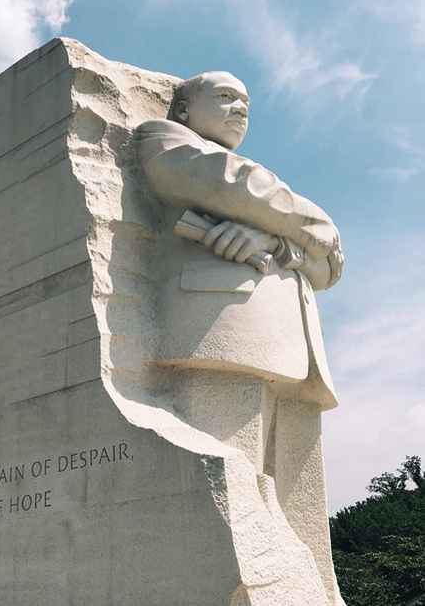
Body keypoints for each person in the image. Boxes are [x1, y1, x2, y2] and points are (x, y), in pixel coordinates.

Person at [132, 71, 345, 604]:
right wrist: (310, 223)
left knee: (296, 513)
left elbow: (330, 265)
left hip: (292, 353)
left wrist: (274, 237)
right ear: (183, 109)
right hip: (222, 334)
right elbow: (225, 182)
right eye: (224, 97)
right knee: (231, 499)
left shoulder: (263, 193)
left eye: (246, 101)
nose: (240, 109)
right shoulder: (164, 138)